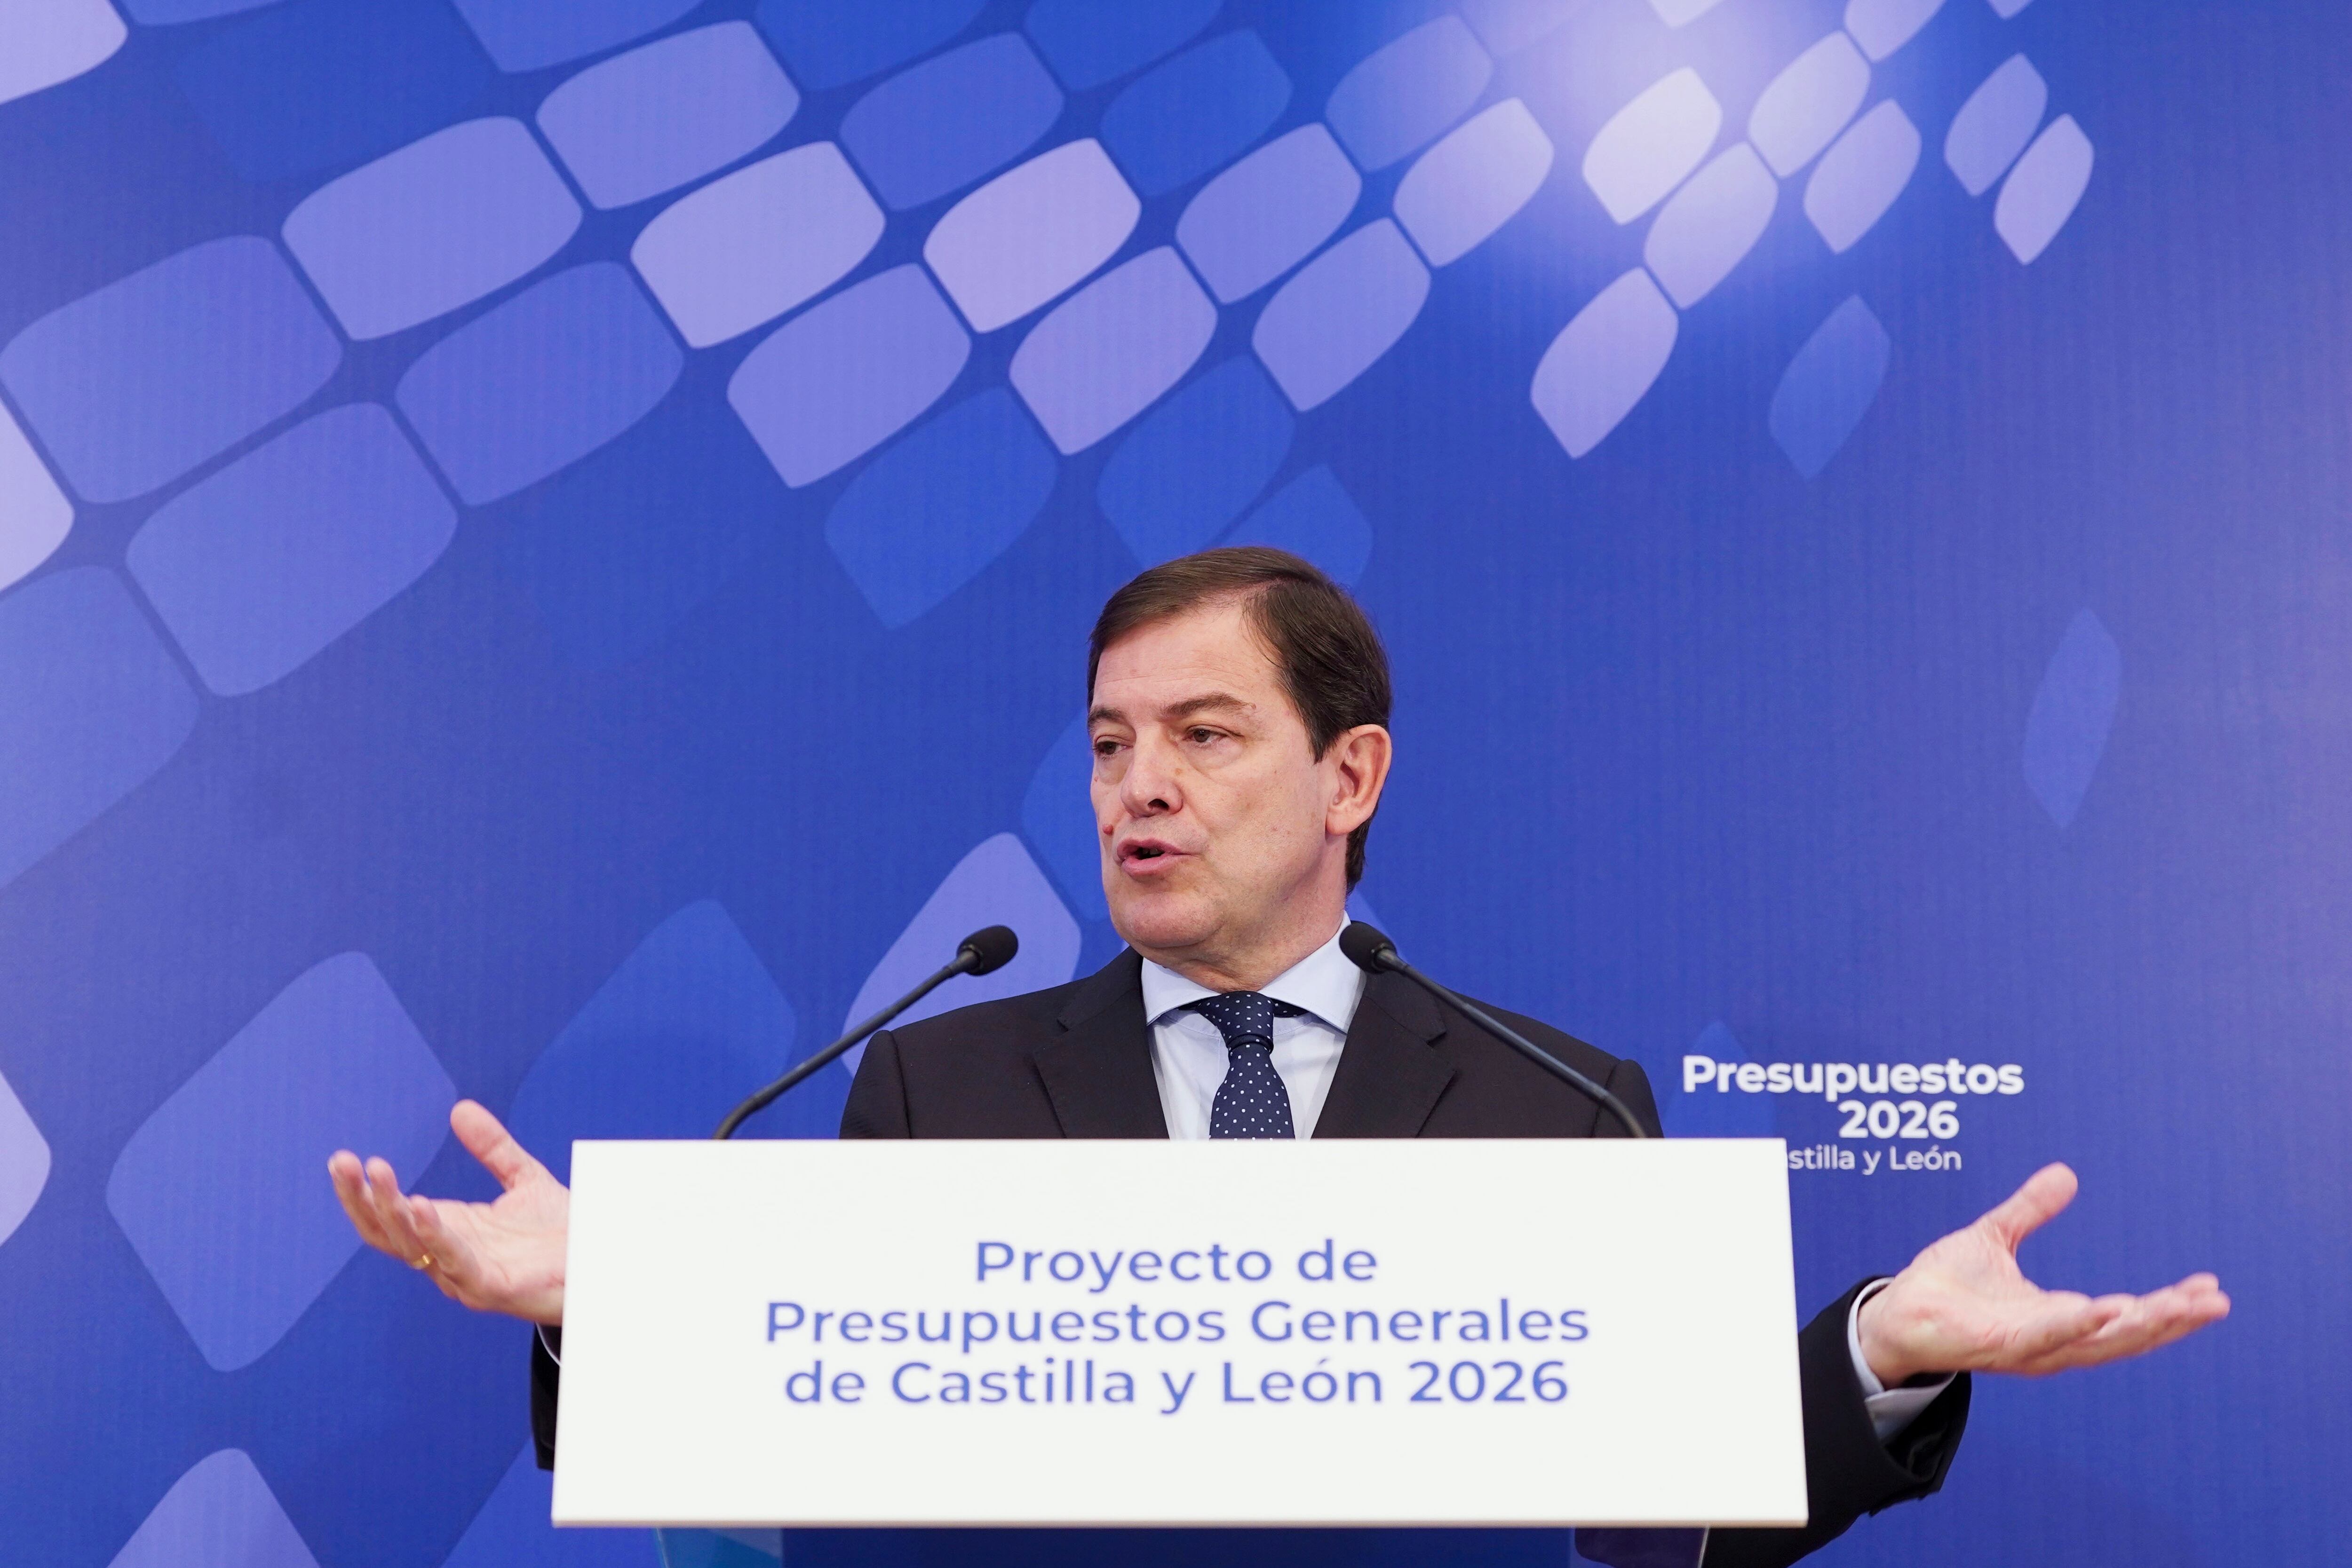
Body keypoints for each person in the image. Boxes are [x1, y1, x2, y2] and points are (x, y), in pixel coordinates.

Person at [329, 548, 2227, 1568]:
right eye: (1104, 742)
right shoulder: (941, 1082)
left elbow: (1669, 1527)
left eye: (1205, 734)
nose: (1137, 784)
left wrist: (1875, 1347)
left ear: (1349, 775)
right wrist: (611, 1317)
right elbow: (804, 1463)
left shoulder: (1559, 1104)